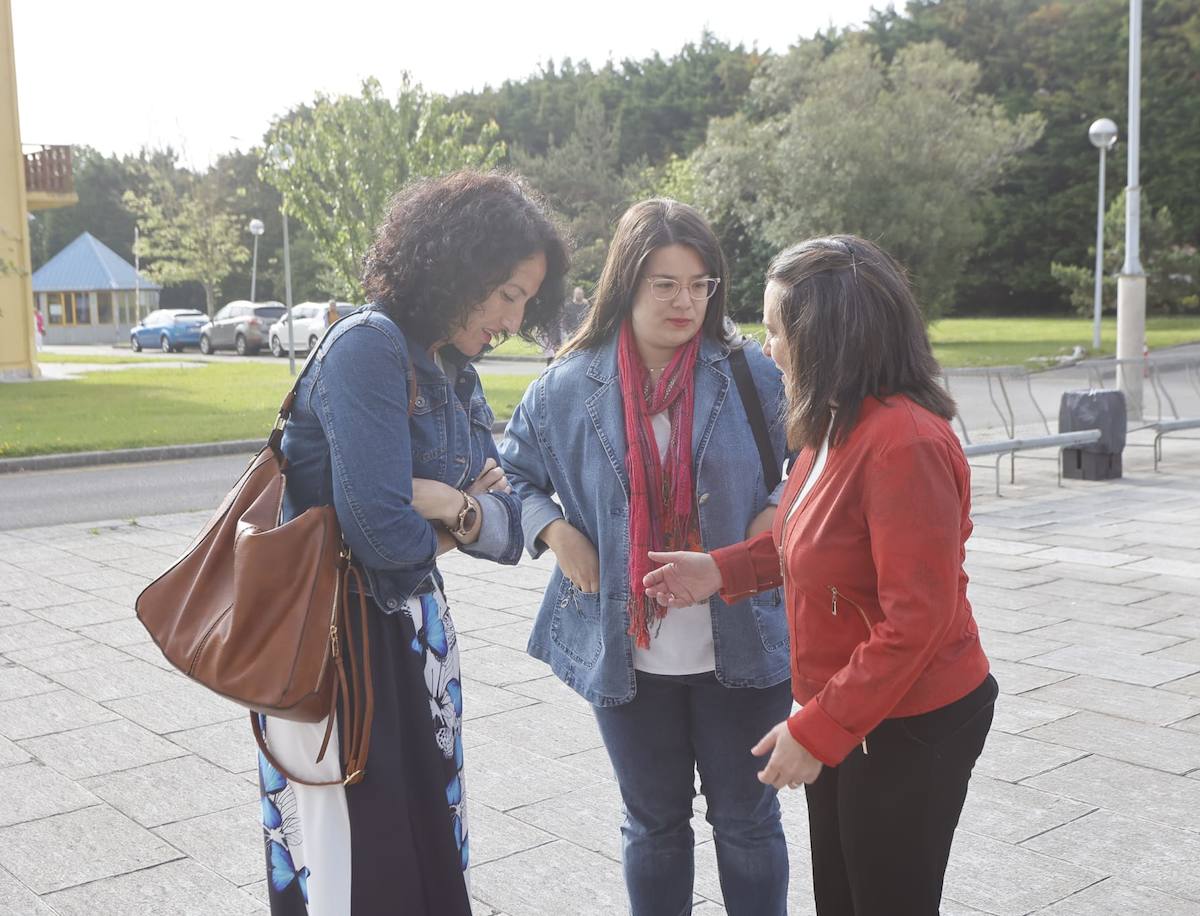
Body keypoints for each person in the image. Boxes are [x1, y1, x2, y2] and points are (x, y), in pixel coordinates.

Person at [645, 235, 996, 916]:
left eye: (777, 330)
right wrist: (719, 571)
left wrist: (819, 728)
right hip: (856, 711)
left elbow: (915, 620)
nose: (766, 346)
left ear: (831, 337)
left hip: (910, 722)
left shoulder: (905, 444)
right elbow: (805, 539)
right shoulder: (838, 421)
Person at [258, 170, 569, 916]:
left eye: (526, 300)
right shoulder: (367, 350)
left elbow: (504, 527)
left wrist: (447, 507)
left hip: (413, 634)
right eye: (505, 294)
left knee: (421, 842)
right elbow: (384, 536)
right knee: (356, 862)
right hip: (335, 644)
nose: (511, 317)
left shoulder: (447, 366)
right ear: (455, 268)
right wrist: (465, 510)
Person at [500, 199, 792, 916]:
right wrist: (555, 534)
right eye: (665, 284)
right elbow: (509, 471)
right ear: (627, 284)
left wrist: (777, 509)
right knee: (654, 827)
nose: (686, 301)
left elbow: (814, 457)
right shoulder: (569, 387)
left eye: (700, 284)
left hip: (743, 641)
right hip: (627, 652)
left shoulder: (750, 373)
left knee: (748, 824)